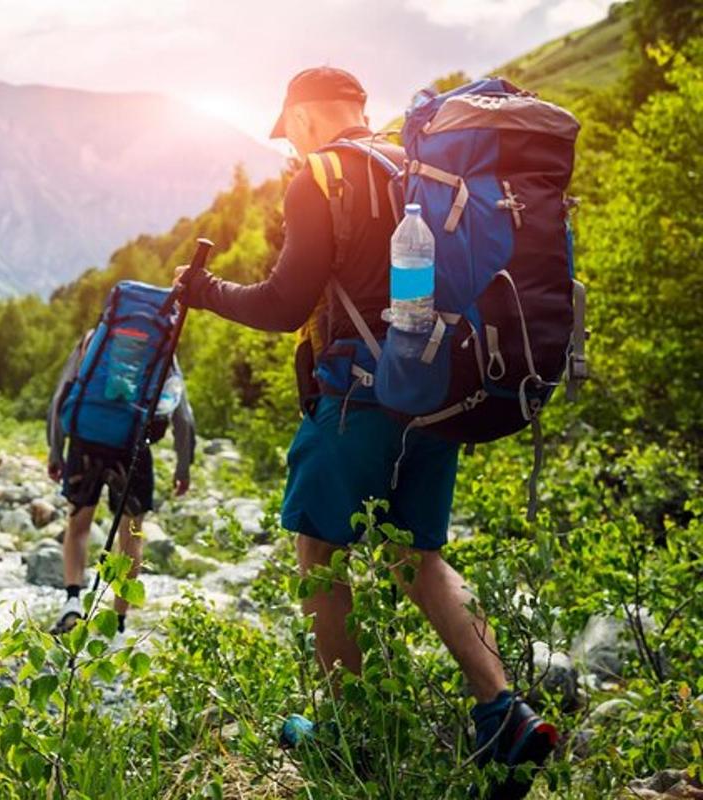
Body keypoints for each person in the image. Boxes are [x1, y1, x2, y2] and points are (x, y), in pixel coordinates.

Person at [175, 67, 557, 795]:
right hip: (437, 397)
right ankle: (503, 712)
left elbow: (287, 303)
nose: (287, 143)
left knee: (319, 549)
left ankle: (349, 730)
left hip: (358, 397)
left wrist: (205, 292)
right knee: (420, 555)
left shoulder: (321, 176)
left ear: (307, 117)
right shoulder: (414, 169)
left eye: (288, 128)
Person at [46, 331, 195, 635]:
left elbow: (62, 394)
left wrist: (55, 449)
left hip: (85, 441)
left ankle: (73, 602)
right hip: (133, 447)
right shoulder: (161, 344)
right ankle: (118, 622)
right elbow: (182, 413)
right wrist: (183, 464)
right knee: (131, 536)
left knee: (78, 525)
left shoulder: (93, 339)